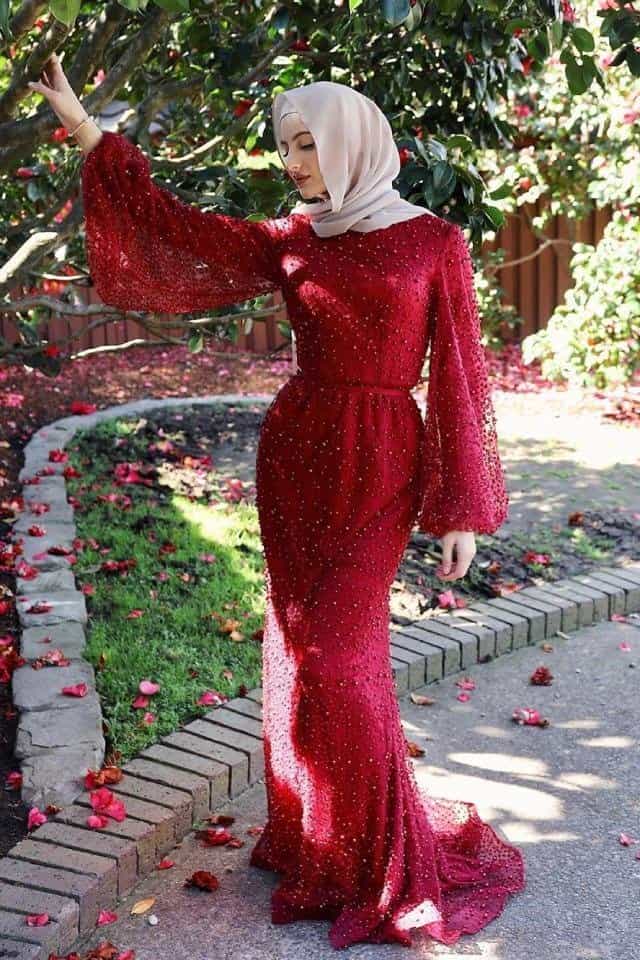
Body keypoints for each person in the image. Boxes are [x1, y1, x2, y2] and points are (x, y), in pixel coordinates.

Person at [29, 58, 525, 950]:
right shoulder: (295, 237)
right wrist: (87, 130)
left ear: (350, 143)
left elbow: (459, 373)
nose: (291, 161)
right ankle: (315, 838)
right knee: (298, 646)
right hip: (297, 454)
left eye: (305, 144)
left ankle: (379, 862)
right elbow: (175, 229)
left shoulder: (434, 242)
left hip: (381, 459)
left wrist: (459, 508)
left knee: (339, 655)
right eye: (287, 146)